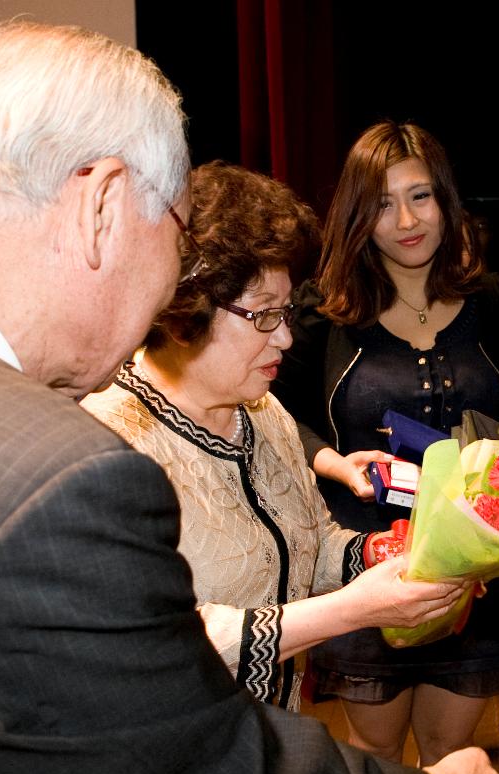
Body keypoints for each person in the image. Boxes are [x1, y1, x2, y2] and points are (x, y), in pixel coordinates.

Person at [0, 23, 499, 774]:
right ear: (104, 204)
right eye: (173, 235)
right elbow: (186, 765)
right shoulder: (65, 472)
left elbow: (306, 540)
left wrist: (380, 558)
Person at [82, 162, 463, 711]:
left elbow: (307, 542)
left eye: (284, 312)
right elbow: (163, 643)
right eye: (263, 315)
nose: (284, 336)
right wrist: (356, 610)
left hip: (272, 746)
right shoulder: (110, 443)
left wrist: (377, 551)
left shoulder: (263, 412)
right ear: (183, 307)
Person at [274, 121, 499, 774]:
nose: (405, 220)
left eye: (420, 196)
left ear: (446, 202)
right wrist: (332, 461)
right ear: (358, 215)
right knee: (375, 764)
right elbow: (277, 417)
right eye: (383, 203)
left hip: (475, 574)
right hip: (366, 568)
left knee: (455, 765)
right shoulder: (324, 313)